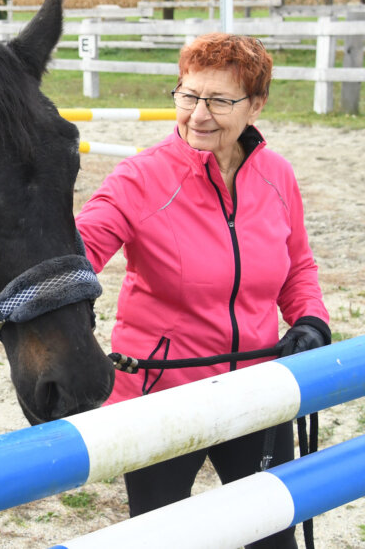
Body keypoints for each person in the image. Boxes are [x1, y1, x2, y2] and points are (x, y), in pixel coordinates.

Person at [75, 33, 330, 548]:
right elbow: (79, 253)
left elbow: (297, 265)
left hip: (257, 388)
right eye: (189, 95)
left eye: (219, 100)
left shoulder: (277, 175)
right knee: (166, 539)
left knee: (271, 536)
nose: (198, 114)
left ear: (256, 105)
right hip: (163, 397)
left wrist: (310, 320)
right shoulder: (139, 178)